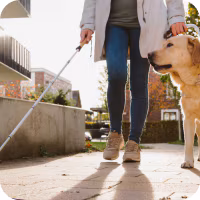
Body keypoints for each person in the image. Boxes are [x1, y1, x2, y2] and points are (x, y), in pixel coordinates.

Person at [80, 0, 187, 162]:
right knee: (116, 75)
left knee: (139, 82)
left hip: (147, 21)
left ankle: (134, 142)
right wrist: (87, 23)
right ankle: (115, 134)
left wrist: (176, 16)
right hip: (113, 22)